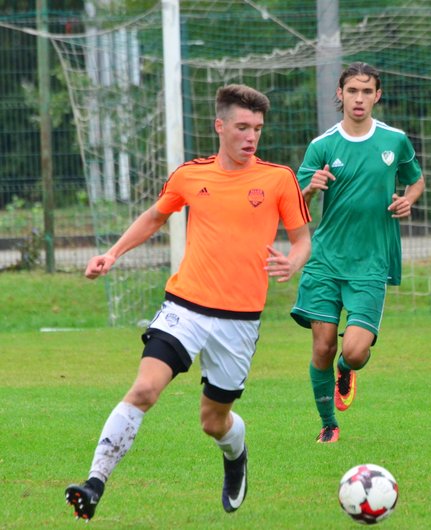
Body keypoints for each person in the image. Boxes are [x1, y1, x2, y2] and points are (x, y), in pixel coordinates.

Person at [64, 84, 312, 520]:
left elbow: (301, 240)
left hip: (239, 320)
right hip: (185, 306)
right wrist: (113, 253)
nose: (251, 136)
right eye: (241, 127)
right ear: (220, 126)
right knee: (144, 389)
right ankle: (94, 483)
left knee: (213, 421)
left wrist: (292, 262)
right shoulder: (190, 175)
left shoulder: (278, 178)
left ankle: (235, 455)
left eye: (257, 128)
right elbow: (156, 216)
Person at [290, 62, 425, 443]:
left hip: (371, 261)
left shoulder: (394, 140)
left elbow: (416, 181)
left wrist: (407, 199)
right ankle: (328, 425)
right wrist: (311, 188)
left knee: (354, 351)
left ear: (377, 96)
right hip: (327, 259)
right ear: (340, 94)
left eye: (367, 91)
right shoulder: (322, 146)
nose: (359, 98)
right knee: (322, 346)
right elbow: (292, 203)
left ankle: (347, 369)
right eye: (353, 91)